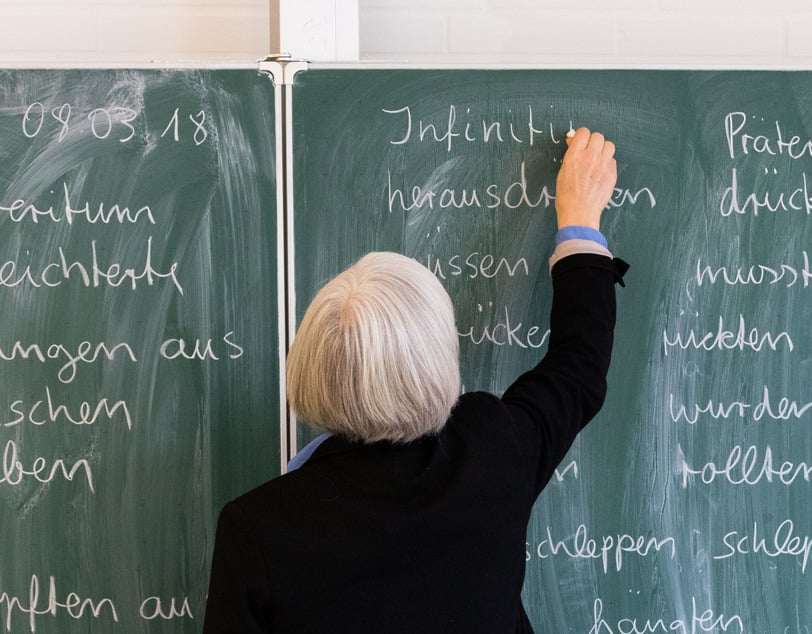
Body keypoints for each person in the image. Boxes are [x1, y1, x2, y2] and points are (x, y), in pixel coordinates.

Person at [203, 128, 625, 633]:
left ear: (310, 366)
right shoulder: (491, 449)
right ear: (439, 363)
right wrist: (580, 222)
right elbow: (578, 366)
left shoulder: (257, 530)